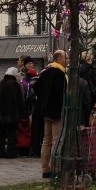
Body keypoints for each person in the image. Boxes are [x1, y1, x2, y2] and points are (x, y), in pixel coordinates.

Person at [36, 50, 68, 179]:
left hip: (45, 112)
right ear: (59, 59)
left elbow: (36, 87)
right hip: (56, 112)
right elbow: (63, 93)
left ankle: (45, 168)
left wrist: (44, 100)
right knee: (56, 140)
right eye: (65, 58)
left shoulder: (45, 72)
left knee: (46, 140)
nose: (67, 60)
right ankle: (56, 168)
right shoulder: (60, 74)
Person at [0, 67, 25, 158]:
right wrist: (22, 112)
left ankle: (0, 152)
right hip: (12, 114)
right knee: (11, 134)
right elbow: (20, 100)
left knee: (1, 134)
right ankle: (11, 152)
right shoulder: (15, 85)